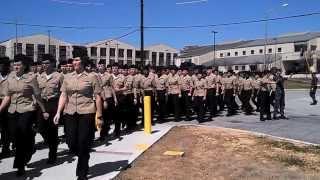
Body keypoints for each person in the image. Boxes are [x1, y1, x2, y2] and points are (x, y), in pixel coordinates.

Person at [53, 57, 103, 180]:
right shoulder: (67, 77)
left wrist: (100, 116)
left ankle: (82, 172)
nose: (75, 63)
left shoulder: (92, 76)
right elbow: (64, 95)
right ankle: (83, 155)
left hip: (86, 112)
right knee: (71, 142)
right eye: (73, 61)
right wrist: (58, 112)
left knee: (83, 142)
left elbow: (97, 97)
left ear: (83, 63)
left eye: (77, 60)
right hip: (70, 112)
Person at [0, 54, 49, 176]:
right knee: (14, 137)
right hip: (12, 110)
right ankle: (31, 147)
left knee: (21, 134)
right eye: (14, 64)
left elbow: (37, 96)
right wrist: (0, 109)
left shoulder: (31, 78)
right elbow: (7, 96)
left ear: (24, 66)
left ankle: (20, 166)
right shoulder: (10, 77)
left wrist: (43, 110)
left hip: (27, 109)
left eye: (18, 64)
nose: (16, 66)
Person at [37, 54, 64, 164]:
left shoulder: (59, 76)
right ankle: (51, 142)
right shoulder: (39, 76)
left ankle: (52, 154)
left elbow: (63, 92)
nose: (44, 65)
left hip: (54, 103)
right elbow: (36, 92)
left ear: (52, 63)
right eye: (43, 63)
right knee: (41, 128)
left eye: (47, 63)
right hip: (42, 103)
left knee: (53, 129)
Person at [0, 56, 12, 158]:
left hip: (9, 103)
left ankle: (6, 147)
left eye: (3, 65)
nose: (1, 67)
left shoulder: (12, 76)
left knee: (6, 127)